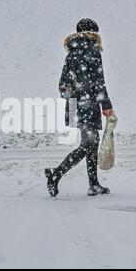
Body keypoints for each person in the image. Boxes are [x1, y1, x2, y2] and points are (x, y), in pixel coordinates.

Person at [45, 18, 114, 197]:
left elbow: (62, 85)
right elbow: (99, 81)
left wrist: (73, 97)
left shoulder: (72, 53)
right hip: (88, 103)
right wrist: (106, 105)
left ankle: (93, 184)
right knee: (88, 144)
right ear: (93, 32)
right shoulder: (93, 50)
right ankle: (56, 174)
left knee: (91, 143)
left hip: (76, 105)